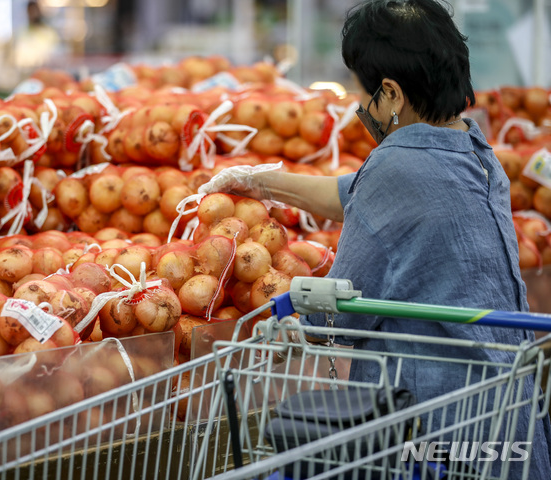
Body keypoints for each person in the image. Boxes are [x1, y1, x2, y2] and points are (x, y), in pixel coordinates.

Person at [208, 0, 551, 477]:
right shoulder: (477, 151)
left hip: (432, 428)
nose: (358, 103)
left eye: (362, 91)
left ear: (391, 92)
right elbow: (350, 193)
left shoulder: (395, 165)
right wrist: (260, 182)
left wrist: (279, 309)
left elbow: (343, 312)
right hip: (504, 414)